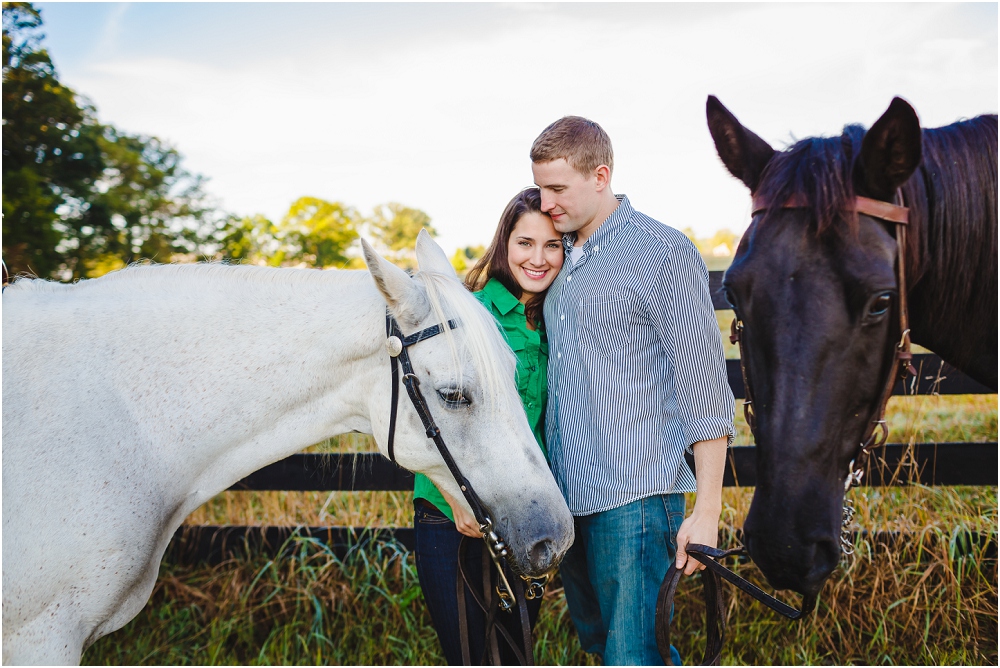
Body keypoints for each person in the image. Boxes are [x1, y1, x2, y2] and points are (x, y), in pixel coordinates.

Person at [530, 116, 735, 665]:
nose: (545, 201)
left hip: (636, 502)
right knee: (604, 652)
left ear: (600, 176)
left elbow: (705, 389)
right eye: (541, 187)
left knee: (634, 656)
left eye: (557, 189)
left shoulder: (661, 252)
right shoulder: (562, 257)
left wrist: (707, 509)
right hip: (570, 500)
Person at [412, 187, 564, 665]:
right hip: (453, 513)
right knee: (470, 653)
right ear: (505, 244)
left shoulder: (558, 318)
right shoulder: (469, 315)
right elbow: (425, 412)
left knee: (515, 650)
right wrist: (455, 495)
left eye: (553, 245)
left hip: (522, 508)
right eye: (525, 243)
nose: (538, 258)